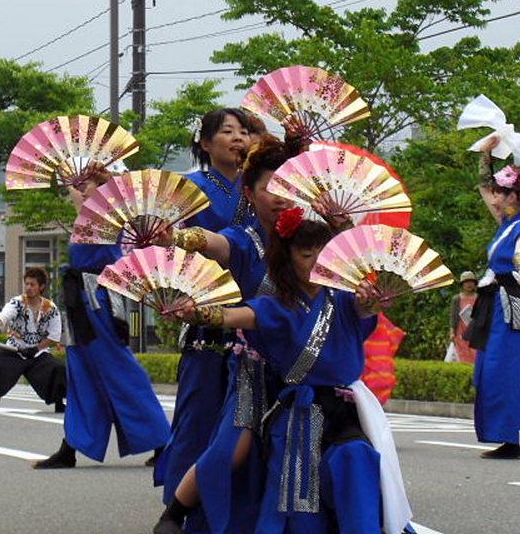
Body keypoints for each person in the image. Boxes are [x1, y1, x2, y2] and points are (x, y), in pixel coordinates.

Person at [159, 212, 412, 534]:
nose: (318, 263)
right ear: (287, 260)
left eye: (325, 253)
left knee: (356, 460)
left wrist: (373, 301)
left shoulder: (348, 300)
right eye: (307, 255)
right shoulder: (276, 306)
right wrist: (196, 312)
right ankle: (176, 511)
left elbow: (364, 310)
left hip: (345, 411)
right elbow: (234, 316)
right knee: (275, 482)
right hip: (297, 413)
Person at [154, 108, 256, 530]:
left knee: (246, 424)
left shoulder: (263, 185)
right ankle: (182, 508)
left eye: (244, 131)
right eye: (227, 131)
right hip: (205, 306)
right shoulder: (189, 188)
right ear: (205, 143)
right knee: (200, 414)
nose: (238, 138)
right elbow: (168, 252)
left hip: (255, 309)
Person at [32, 172, 171, 470]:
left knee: (118, 368)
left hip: (96, 299)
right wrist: (76, 182)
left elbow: (102, 198)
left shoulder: (107, 214)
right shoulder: (88, 216)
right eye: (78, 187)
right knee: (81, 372)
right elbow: (80, 200)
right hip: (80, 298)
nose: (79, 192)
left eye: (86, 186)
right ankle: (70, 447)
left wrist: (90, 181)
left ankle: (162, 441)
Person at [465, 143, 520, 459]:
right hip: (493, 303)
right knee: (486, 371)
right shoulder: (506, 223)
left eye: (501, 193)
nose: (494, 198)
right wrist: (485, 155)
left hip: (511, 303)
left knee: (502, 371)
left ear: (513, 197)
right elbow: (485, 189)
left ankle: (511, 440)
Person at [0, 268, 66, 414]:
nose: (28, 288)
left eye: (32, 284)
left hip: (37, 353)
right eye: (26, 284)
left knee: (57, 369)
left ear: (41, 287)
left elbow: (54, 337)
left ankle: (59, 403)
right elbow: (1, 318)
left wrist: (36, 349)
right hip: (14, 350)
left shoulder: (51, 309)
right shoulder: (17, 303)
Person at [448, 271, 478, 364]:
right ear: (462, 284)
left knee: (475, 356)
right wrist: (452, 332)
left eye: (471, 281)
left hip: (475, 333)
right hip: (460, 332)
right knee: (462, 357)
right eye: (466, 282)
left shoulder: (479, 298)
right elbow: (453, 316)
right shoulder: (456, 299)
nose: (469, 284)